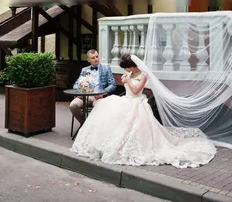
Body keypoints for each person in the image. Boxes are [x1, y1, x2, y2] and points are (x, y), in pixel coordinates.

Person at [71, 53, 217, 168]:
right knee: (104, 108)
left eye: (126, 67)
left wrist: (127, 81)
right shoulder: (127, 74)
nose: (125, 70)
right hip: (125, 101)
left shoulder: (143, 75)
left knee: (134, 127)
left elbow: (136, 91)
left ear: (132, 66)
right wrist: (126, 79)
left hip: (136, 103)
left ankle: (125, 148)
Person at [69, 49, 116, 125]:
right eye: (93, 58)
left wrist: (102, 93)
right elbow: (76, 84)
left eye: (97, 56)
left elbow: (113, 85)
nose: (96, 59)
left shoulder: (106, 68)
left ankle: (95, 126)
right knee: (73, 105)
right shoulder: (84, 70)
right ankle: (84, 124)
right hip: (85, 97)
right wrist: (79, 93)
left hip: (98, 97)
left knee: (99, 107)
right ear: (88, 60)